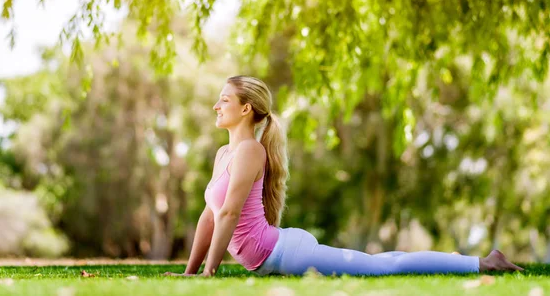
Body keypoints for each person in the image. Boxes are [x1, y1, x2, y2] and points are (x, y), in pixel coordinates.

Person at [165, 75, 524, 277]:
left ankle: (482, 262)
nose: (216, 105)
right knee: (385, 264)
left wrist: (208, 273)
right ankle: (480, 261)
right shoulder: (224, 154)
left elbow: (229, 213)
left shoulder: (249, 152)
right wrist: (191, 271)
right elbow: (210, 216)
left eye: (224, 100)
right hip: (274, 254)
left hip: (285, 253)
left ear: (245, 108)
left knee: (385, 266)